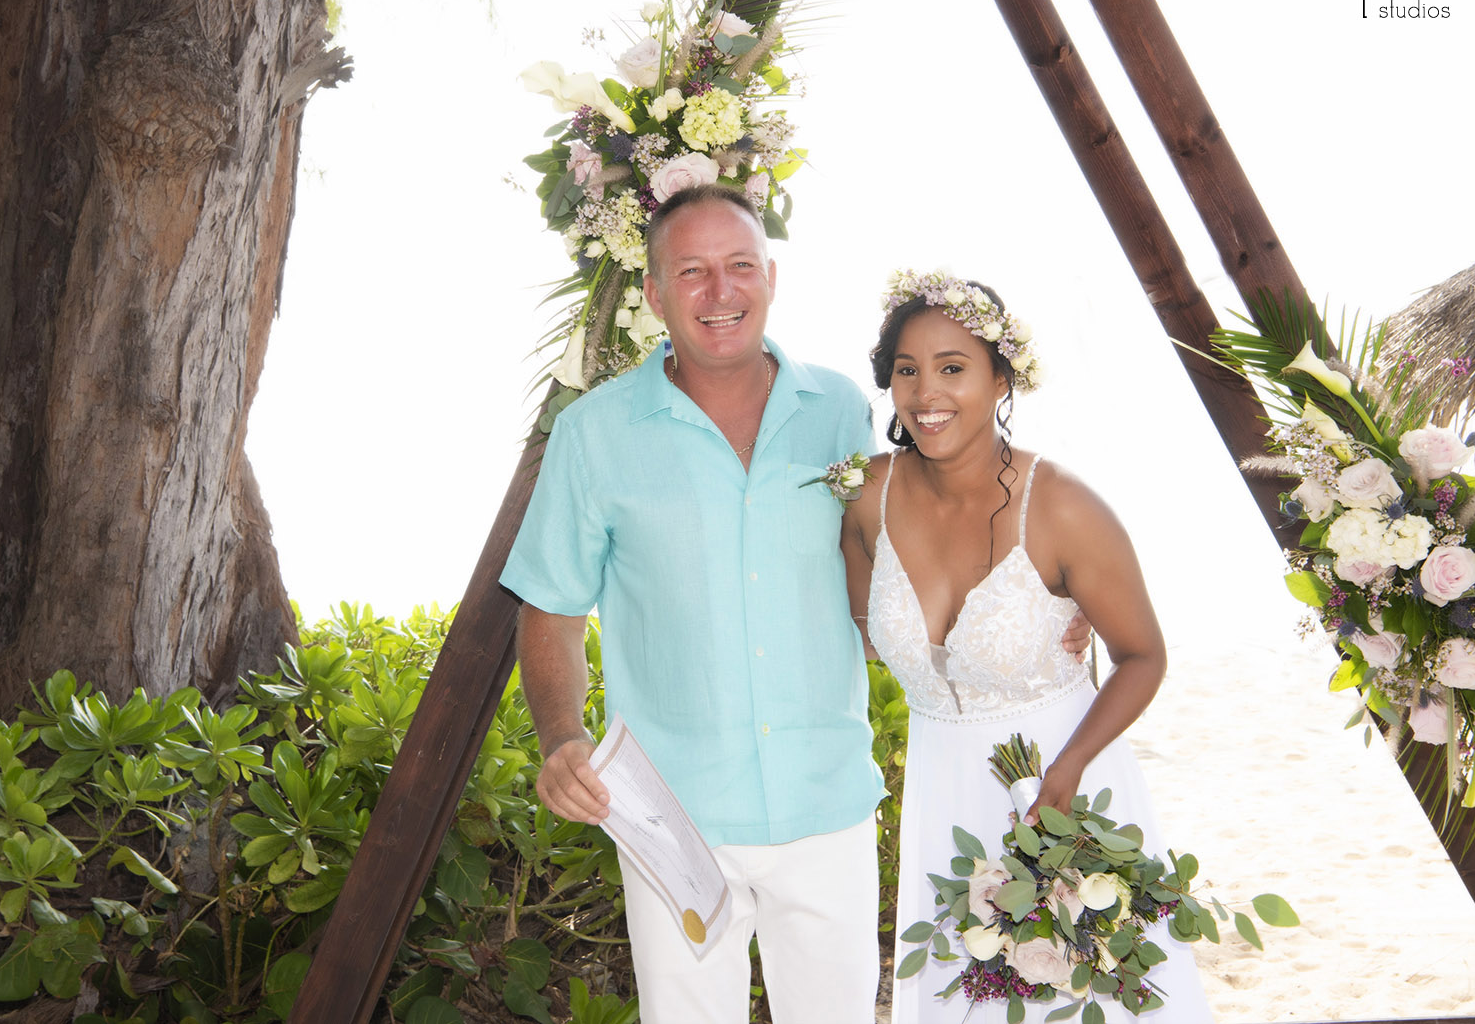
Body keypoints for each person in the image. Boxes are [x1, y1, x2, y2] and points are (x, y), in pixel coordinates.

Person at [500, 185, 882, 1023]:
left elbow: (909, 561)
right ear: (654, 292)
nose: (721, 293)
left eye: (740, 265)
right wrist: (564, 739)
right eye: (693, 271)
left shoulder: (845, 412)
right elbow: (552, 610)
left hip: (829, 805)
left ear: (772, 277)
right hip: (672, 814)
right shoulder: (593, 433)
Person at [840, 272, 1212, 1023]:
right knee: (960, 987)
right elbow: (865, 633)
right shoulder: (863, 497)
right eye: (907, 370)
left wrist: (1067, 769)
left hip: (1061, 782)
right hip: (944, 789)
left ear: (1001, 378)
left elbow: (1144, 656)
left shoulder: (1065, 507)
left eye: (952, 367)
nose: (925, 392)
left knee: (1087, 991)